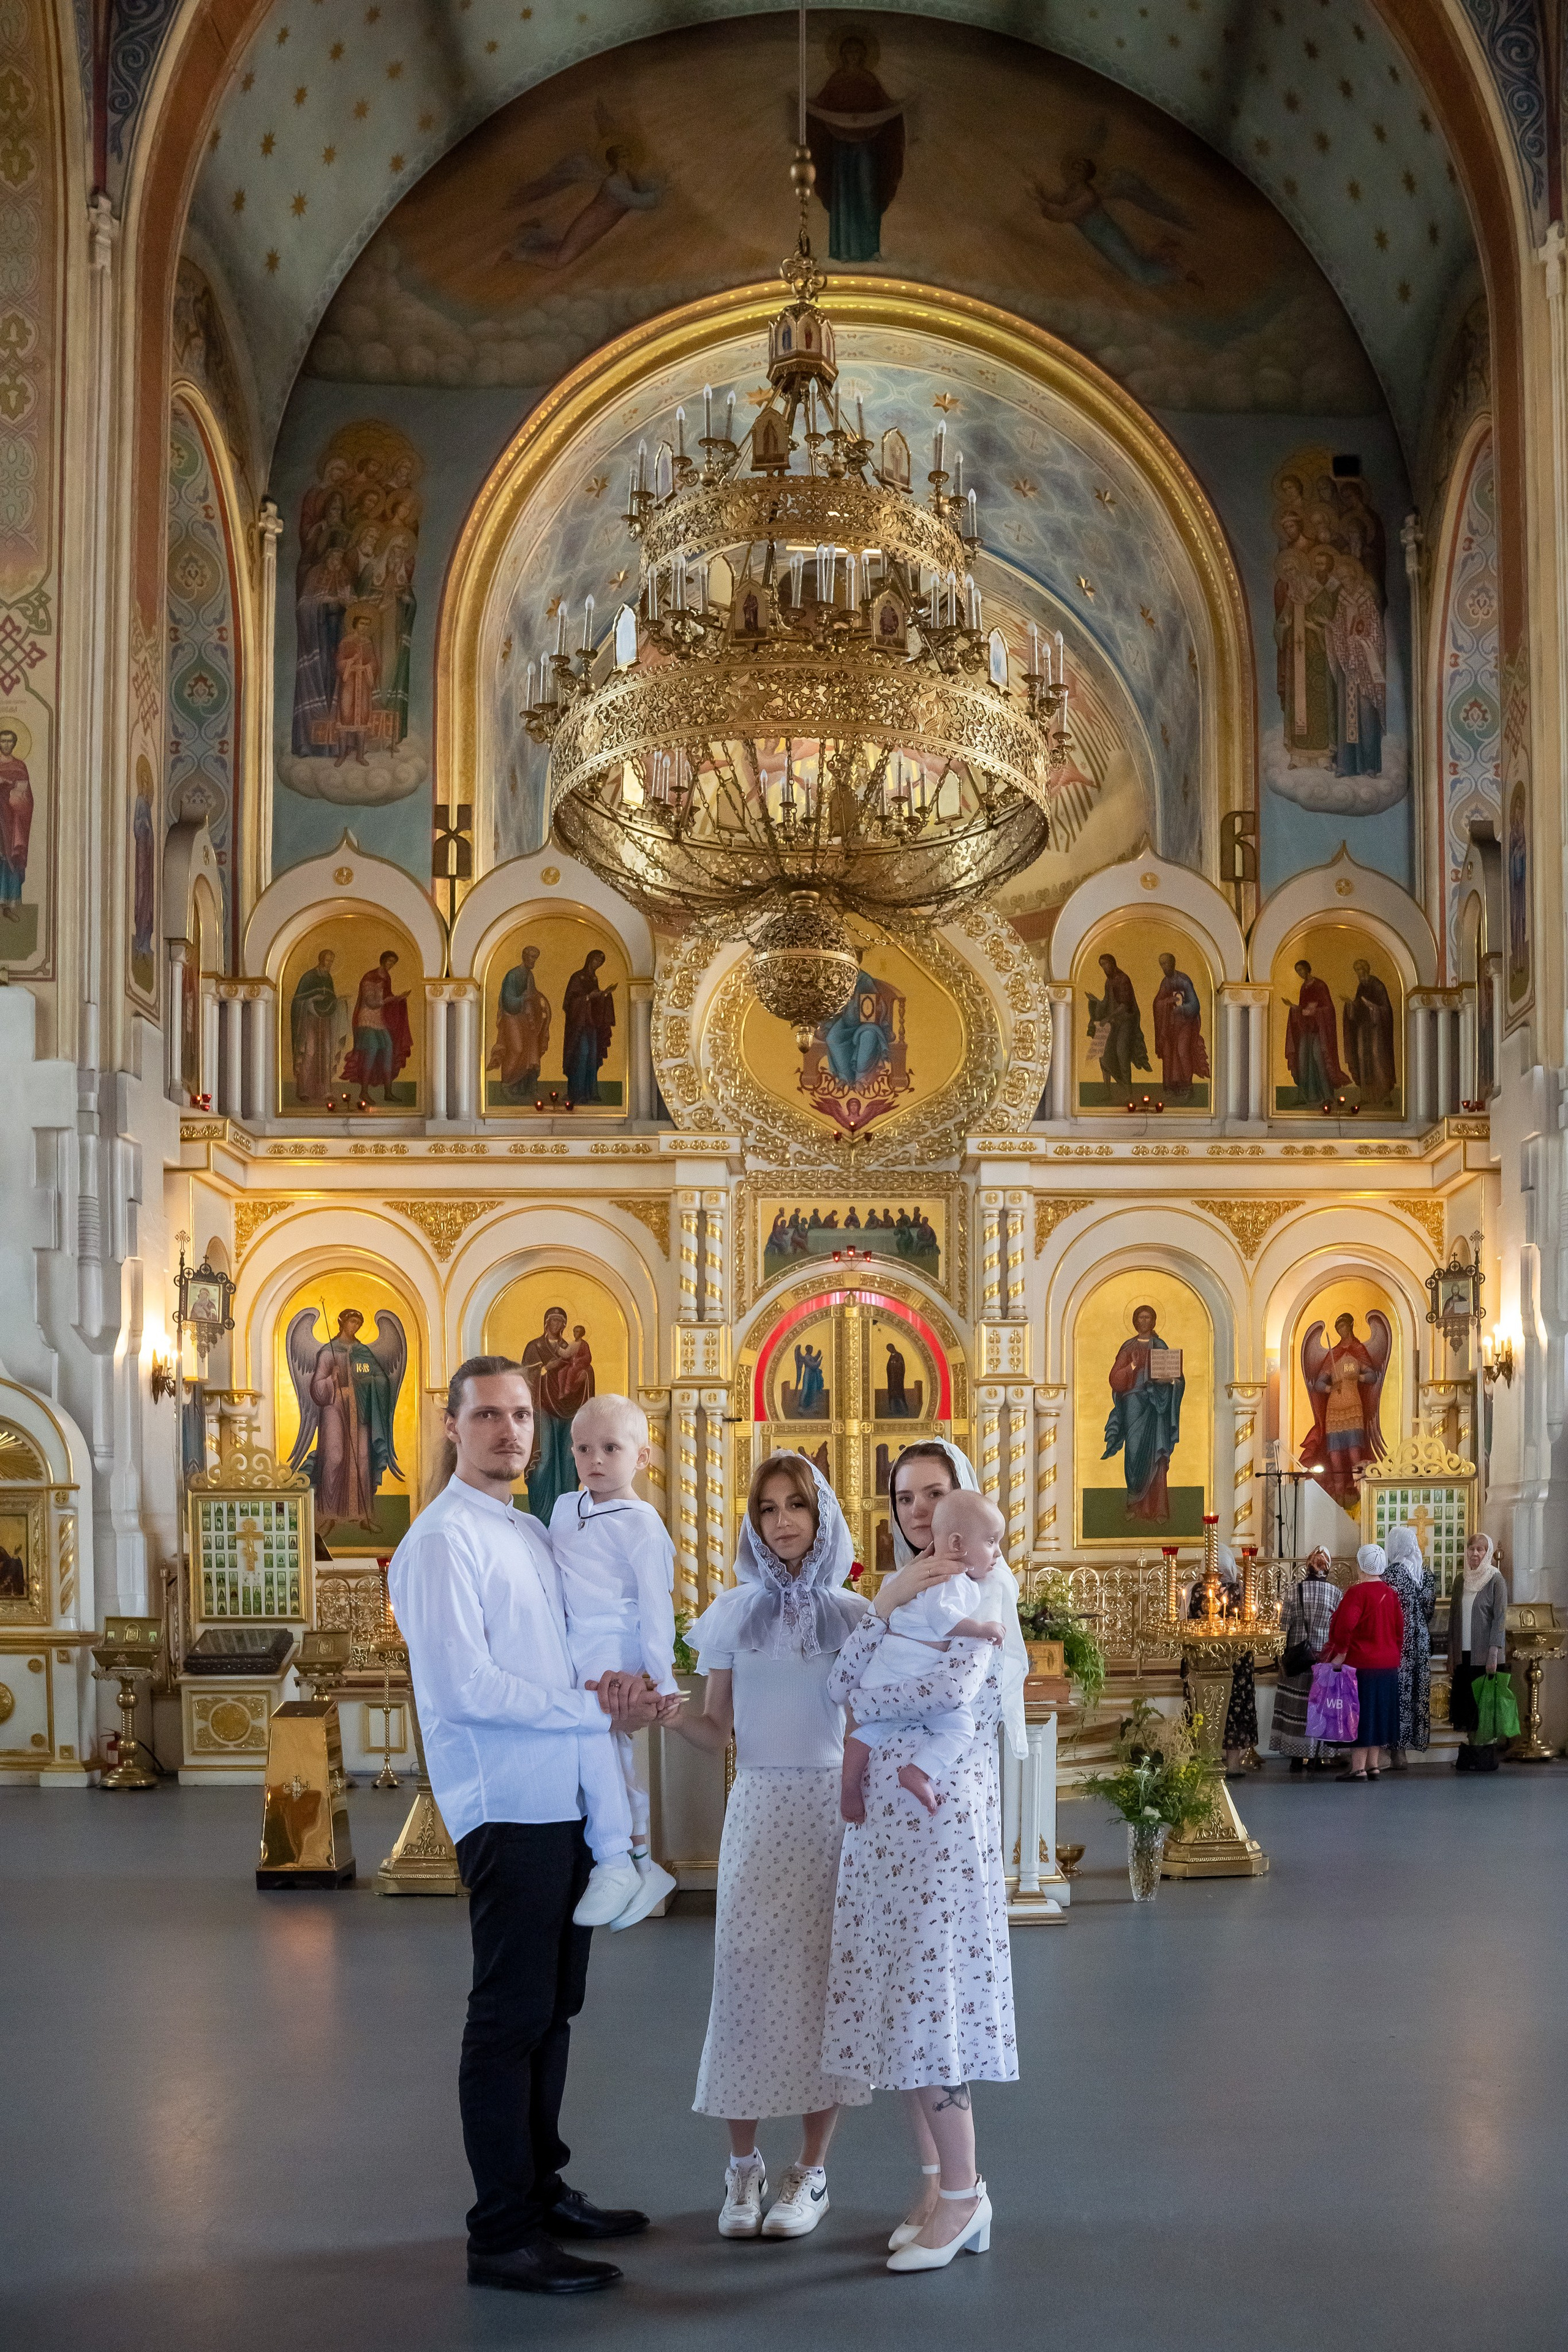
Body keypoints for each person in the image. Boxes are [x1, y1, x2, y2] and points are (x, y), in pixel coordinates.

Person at [387, 1357, 674, 2297]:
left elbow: (579, 1647)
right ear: (451, 1424)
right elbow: (467, 1689)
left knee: (556, 2010)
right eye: (489, 1416)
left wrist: (623, 1686)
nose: (510, 1432)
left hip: (562, 1797)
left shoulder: (525, 1528)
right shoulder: (441, 1543)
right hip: (505, 1803)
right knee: (508, 2019)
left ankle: (541, 2189)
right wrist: (591, 1714)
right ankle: (501, 2233)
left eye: (521, 1416)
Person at [824, 1438, 1025, 2274]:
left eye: (932, 1492)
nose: (916, 1509)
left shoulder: (985, 1586)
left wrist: (875, 1691)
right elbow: (839, 1688)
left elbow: (949, 1693)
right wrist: (885, 1606)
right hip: (884, 1830)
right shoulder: (899, 1592)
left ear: (960, 1499)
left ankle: (968, 2192)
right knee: (901, 2008)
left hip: (939, 1825)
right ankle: (937, 2183)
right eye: (904, 1497)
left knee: (935, 2001)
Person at [671, 1453, 872, 2241]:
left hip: (830, 1812)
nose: (782, 1520)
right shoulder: (730, 1613)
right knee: (746, 1983)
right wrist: (664, 1714)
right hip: (756, 1807)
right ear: (753, 1522)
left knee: (824, 1988)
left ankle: (810, 2171)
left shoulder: (856, 1615)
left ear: (822, 1518)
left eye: (797, 1505)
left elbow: (865, 1730)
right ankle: (743, 2170)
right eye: (767, 1508)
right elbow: (715, 1730)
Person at [549, 1394, 679, 1931]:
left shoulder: (644, 1524)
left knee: (594, 1733)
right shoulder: (562, 1508)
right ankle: (643, 1863)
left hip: (614, 1643)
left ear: (642, 1457)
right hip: (571, 1642)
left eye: (610, 1447)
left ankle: (614, 1860)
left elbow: (655, 1605)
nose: (595, 1459)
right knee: (606, 1752)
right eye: (583, 1448)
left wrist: (663, 1676)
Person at [839, 1488, 1006, 1821]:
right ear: (957, 1544)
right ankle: (917, 1772)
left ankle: (850, 1787)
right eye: (990, 1542)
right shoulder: (949, 1578)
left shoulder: (952, 1581)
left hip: (891, 1675)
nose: (998, 1553)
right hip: (903, 1667)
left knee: (868, 1731)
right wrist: (982, 1628)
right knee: (958, 1728)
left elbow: (954, 1690)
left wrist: (867, 1702)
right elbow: (942, 1619)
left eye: (935, 1494)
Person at [1322, 1543, 1404, 1781]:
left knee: (1359, 1715)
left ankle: (1357, 1768)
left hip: (1362, 1665)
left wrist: (1340, 1654)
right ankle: (1374, 1766)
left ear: (1361, 1567)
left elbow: (1345, 1627)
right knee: (1379, 1714)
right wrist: (1392, 1654)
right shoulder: (1390, 1593)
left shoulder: (1356, 1593)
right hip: (1388, 1664)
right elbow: (1399, 1630)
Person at [1103, 1302, 1184, 1520]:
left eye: (1148, 1318)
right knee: (1134, 1450)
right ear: (1135, 1321)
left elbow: (1175, 1376)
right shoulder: (1128, 1347)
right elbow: (1115, 1379)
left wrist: (1172, 1382)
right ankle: (1133, 1503)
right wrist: (1131, 1367)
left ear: (1154, 1321)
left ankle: (1158, 1509)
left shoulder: (1160, 1346)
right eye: (1140, 1318)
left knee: (1157, 1454)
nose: (1144, 1322)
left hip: (1156, 1405)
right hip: (1133, 1402)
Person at [1187, 1542, 1256, 1774]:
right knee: (1234, 1710)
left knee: (1202, 1708)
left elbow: (1186, 1625)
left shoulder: (1196, 1591)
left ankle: (1206, 1759)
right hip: (1236, 1659)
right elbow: (1251, 1623)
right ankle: (1234, 1764)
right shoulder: (1241, 1590)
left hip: (1203, 1657)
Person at [1268, 1546, 1340, 1772]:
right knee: (1319, 1708)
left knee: (1296, 1708)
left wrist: (1278, 1657)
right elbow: (1339, 1630)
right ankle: (1318, 1757)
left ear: (1308, 1565)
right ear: (1327, 1567)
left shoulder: (1293, 1591)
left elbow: (1283, 1627)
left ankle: (1296, 1759)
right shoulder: (1336, 1594)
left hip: (1298, 1659)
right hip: (1326, 1661)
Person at [1446, 1530, 1509, 1773]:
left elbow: (1500, 1619)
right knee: (1468, 1707)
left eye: (1480, 1549)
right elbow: (1453, 1619)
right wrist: (1453, 1655)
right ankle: (1473, 1753)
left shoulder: (1496, 1580)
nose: (1475, 1553)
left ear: (1488, 1553)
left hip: (1486, 1656)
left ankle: (1484, 1754)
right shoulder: (1461, 1581)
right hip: (1465, 1655)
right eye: (1471, 1548)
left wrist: (1494, 1653)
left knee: (1486, 1707)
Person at [1382, 1523, 1436, 1768]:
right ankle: (1407, 1749)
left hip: (1397, 1644)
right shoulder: (1425, 1574)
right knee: (1416, 1693)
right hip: (1421, 1642)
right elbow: (1429, 1611)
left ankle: (1396, 1752)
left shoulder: (1390, 1575)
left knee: (1398, 1695)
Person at [341, 949, 412, 1102]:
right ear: (383, 960)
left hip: (380, 1021)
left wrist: (399, 999)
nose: (391, 965)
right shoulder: (370, 977)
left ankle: (388, 1092)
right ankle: (364, 1092)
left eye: (393, 963)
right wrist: (391, 1000)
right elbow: (371, 1002)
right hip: (366, 1019)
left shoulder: (387, 977)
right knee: (371, 1051)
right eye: (389, 961)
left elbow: (386, 998)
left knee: (389, 1050)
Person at [488, 941, 551, 1102]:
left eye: (535, 958)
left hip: (525, 1018)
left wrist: (540, 1002)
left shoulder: (530, 976)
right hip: (511, 1016)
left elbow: (533, 994)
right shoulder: (513, 975)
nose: (533, 961)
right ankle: (506, 1085)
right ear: (524, 957)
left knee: (531, 1051)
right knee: (516, 1049)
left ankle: (527, 1087)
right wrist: (525, 999)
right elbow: (508, 1001)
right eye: (531, 957)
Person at [1284, 957, 1348, 1107]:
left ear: (1308, 969)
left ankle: (1327, 1096)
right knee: (1302, 1060)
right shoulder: (1303, 987)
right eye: (1297, 971)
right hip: (1306, 1029)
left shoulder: (1320, 985)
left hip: (1319, 1031)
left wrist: (1313, 1011)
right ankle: (1304, 1096)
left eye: (1301, 970)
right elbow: (1303, 1008)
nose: (1300, 973)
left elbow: (1329, 1009)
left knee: (1320, 1059)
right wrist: (1296, 1009)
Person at [1152, 952, 1209, 1101]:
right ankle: (1172, 1087)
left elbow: (1195, 1005)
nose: (1164, 967)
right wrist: (1166, 1002)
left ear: (1173, 963)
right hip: (1170, 1025)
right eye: (1162, 964)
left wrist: (1181, 1009)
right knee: (1169, 1052)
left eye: (1166, 963)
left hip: (1185, 1023)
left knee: (1182, 1051)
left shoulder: (1184, 980)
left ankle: (1188, 1087)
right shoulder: (1165, 983)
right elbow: (1157, 1002)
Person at [562, 949, 616, 1106]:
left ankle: (590, 1091)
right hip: (578, 1025)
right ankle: (577, 1093)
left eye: (600, 962)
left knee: (592, 1055)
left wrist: (603, 996)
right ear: (589, 959)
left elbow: (595, 1002)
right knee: (582, 1054)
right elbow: (569, 1003)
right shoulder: (577, 977)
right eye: (596, 960)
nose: (597, 964)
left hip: (591, 1023)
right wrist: (587, 998)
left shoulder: (593, 978)